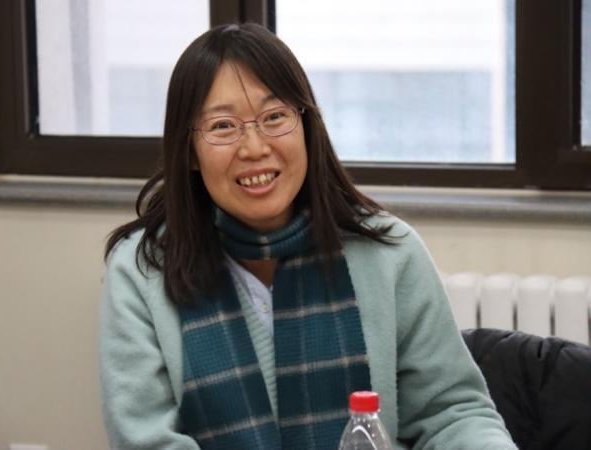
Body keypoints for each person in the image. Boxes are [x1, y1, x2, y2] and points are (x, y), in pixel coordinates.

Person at [99, 22, 517, 450]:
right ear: (189, 150)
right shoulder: (141, 271)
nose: (254, 148)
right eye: (223, 126)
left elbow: (451, 413)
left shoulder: (389, 251)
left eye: (274, 117)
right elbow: (146, 440)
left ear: (306, 125)